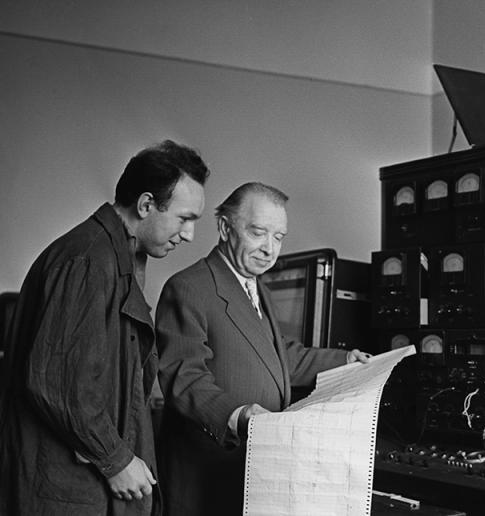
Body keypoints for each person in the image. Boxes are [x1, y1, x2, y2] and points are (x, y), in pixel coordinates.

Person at [0, 140, 209, 516]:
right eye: (184, 218)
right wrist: (116, 459)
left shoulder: (116, 257)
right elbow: (56, 380)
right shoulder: (88, 260)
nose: (190, 234)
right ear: (145, 205)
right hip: (65, 491)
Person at [155, 182, 370, 516]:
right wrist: (239, 415)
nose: (270, 249)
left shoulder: (255, 287)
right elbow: (184, 379)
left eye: (278, 237)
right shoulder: (188, 287)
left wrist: (345, 360)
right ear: (225, 228)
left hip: (254, 471)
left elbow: (279, 355)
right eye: (258, 233)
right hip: (207, 477)